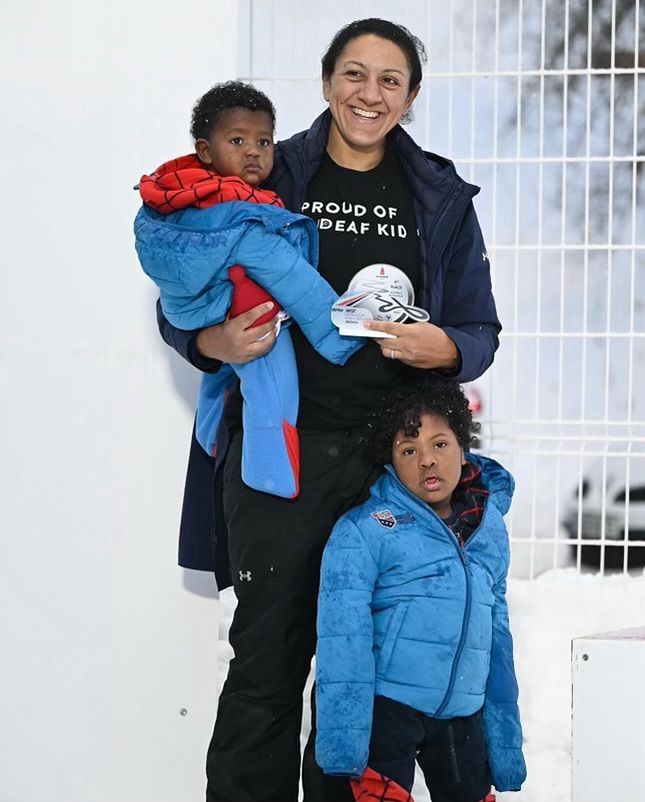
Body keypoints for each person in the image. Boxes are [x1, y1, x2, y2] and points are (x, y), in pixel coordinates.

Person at [154, 18, 502, 802]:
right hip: (284, 453)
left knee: (367, 673)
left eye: (388, 80)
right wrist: (214, 338)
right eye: (353, 73)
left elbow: (479, 331)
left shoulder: (439, 198)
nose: (368, 93)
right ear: (324, 82)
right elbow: (180, 298)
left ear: (410, 97)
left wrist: (439, 347)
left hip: (393, 471)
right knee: (269, 659)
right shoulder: (267, 177)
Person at [135, 82, 361, 499]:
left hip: (195, 305)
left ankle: (209, 435)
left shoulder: (182, 192)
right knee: (273, 391)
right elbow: (295, 279)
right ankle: (270, 473)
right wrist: (339, 333)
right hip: (241, 315)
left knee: (220, 375)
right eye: (237, 141)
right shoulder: (243, 218)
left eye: (264, 141)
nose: (254, 151)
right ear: (206, 150)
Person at [315, 377, 526, 802]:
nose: (427, 461)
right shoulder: (366, 528)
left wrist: (504, 747)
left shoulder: (487, 529)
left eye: (440, 444)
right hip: (388, 712)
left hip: (462, 715)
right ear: (390, 461)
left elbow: (497, 636)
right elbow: (343, 641)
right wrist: (344, 744)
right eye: (409, 450)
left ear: (463, 446)